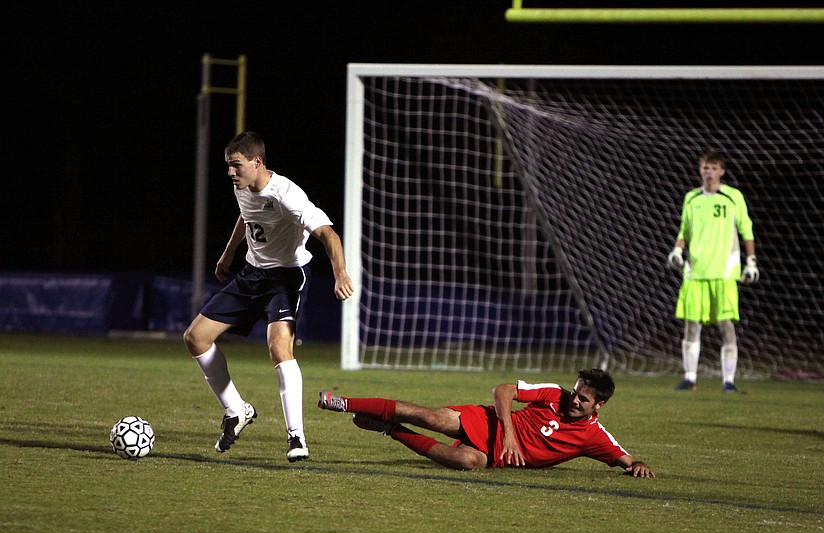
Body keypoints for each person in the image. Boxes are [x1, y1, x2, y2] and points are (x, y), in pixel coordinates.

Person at [184, 131, 354, 461]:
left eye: (236, 165)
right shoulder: (242, 186)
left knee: (279, 348)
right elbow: (247, 216)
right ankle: (237, 410)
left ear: (257, 162)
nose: (230, 172)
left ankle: (296, 437)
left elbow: (328, 235)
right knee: (195, 338)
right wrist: (228, 254)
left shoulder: (288, 195)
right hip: (252, 274)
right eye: (228, 165)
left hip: (286, 278)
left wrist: (341, 273)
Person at [317, 368, 655, 477]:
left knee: (466, 462)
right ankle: (343, 402)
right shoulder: (554, 394)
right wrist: (509, 434)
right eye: (576, 392)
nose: (575, 400)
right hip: (488, 423)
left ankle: (392, 429)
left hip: (494, 457)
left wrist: (638, 465)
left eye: (583, 399)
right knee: (429, 417)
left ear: (599, 405)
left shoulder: (594, 435)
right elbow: (502, 390)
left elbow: (626, 458)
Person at [667, 150, 758, 394]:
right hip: (695, 271)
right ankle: (690, 378)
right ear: (700, 170)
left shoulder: (733, 196)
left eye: (714, 168)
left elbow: (746, 229)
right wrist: (677, 250)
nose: (709, 172)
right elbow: (685, 230)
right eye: (706, 168)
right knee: (691, 325)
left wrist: (751, 261)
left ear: (722, 172)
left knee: (726, 325)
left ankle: (728, 381)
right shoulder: (691, 198)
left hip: (724, 272)